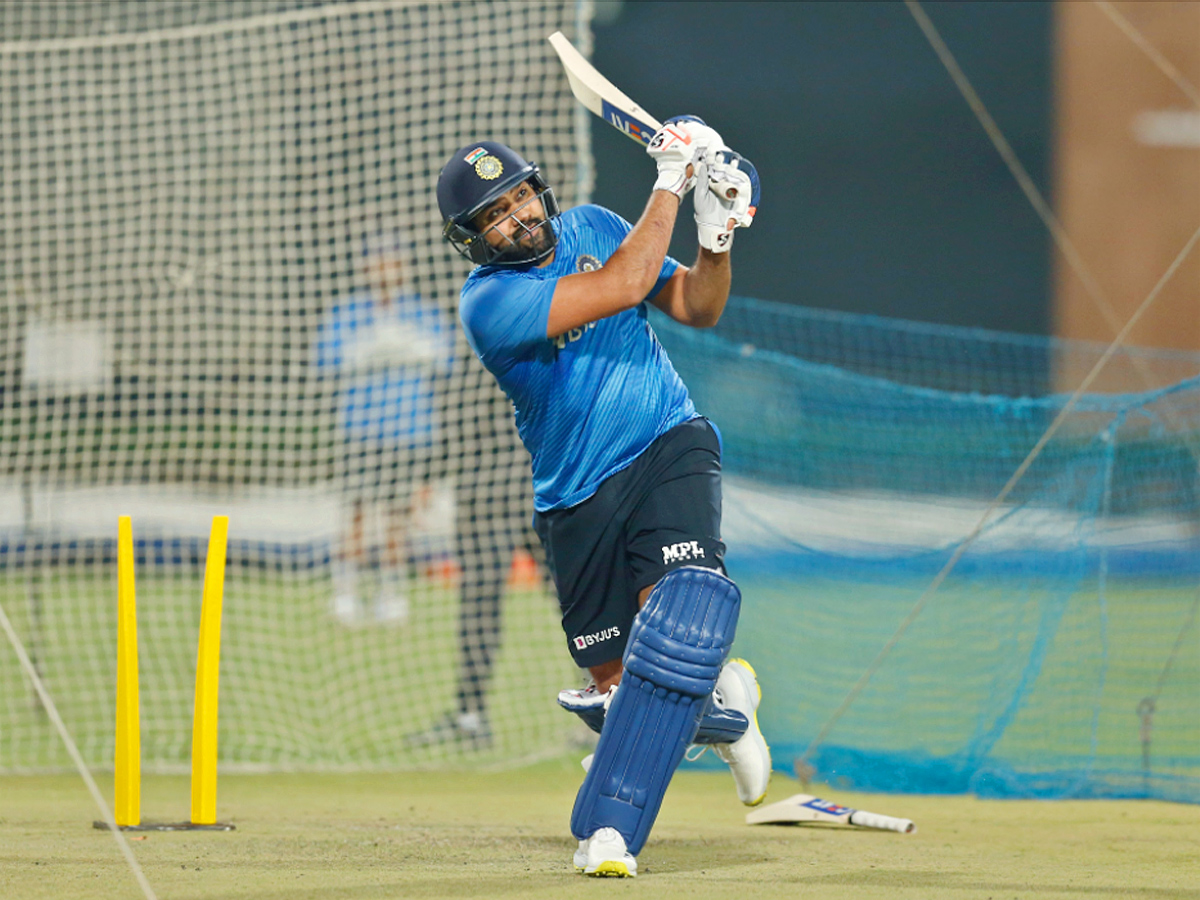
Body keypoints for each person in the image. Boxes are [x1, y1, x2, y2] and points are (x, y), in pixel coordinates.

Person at [435, 117, 771, 877]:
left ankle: (614, 835)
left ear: (538, 190)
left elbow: (696, 306)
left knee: (675, 625)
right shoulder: (487, 303)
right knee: (625, 695)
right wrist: (671, 181)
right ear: (473, 238)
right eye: (494, 214)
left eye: (519, 197)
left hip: (666, 443)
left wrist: (716, 233)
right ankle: (725, 703)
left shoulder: (593, 224)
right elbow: (621, 285)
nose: (517, 217)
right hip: (574, 500)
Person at [314, 228, 455, 625]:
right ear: (365, 267)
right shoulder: (347, 312)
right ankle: (345, 593)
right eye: (377, 261)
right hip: (359, 429)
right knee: (357, 513)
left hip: (407, 431)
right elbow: (326, 359)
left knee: (397, 517)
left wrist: (409, 345)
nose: (385, 269)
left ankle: (390, 594)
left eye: (392, 261)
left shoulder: (423, 314)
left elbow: (445, 359)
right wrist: (369, 347)